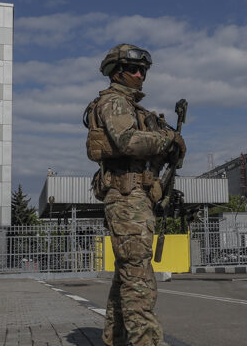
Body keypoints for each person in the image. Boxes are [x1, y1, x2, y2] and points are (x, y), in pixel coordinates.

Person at [90, 43, 185, 346]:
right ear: (117, 73)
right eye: (133, 68)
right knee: (138, 281)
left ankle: (115, 339)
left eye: (143, 69)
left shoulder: (132, 107)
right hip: (126, 197)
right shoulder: (115, 102)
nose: (140, 74)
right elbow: (128, 142)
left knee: (127, 277)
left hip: (134, 197)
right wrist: (168, 139)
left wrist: (168, 145)